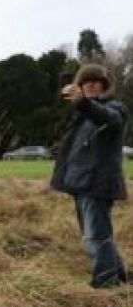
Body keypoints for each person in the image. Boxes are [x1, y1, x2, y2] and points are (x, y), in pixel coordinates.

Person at [51, 63, 129, 289]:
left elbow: (108, 118)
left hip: (98, 185)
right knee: (97, 236)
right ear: (81, 86)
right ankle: (121, 278)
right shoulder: (81, 115)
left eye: (98, 83)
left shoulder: (115, 109)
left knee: (96, 238)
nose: (93, 86)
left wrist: (83, 103)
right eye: (87, 83)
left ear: (104, 87)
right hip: (80, 184)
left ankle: (106, 286)